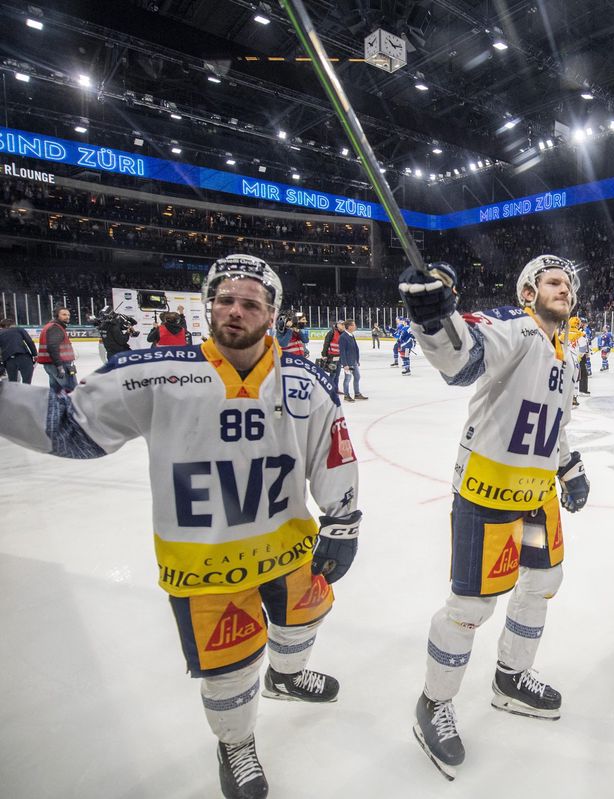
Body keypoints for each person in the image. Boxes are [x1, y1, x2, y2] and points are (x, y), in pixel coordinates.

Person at [0, 254, 362, 799]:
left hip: (290, 548)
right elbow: (71, 425)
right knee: (230, 669)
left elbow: (332, 453)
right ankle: (236, 742)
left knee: (302, 623)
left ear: (273, 314)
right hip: (206, 564)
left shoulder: (304, 381)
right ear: (209, 307)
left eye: (251, 303)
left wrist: (343, 520)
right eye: (225, 300)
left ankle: (286, 677)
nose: (235, 311)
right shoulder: (157, 373)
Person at [398, 255, 590, 781]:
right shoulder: (514, 326)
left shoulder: (564, 350)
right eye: (553, 282)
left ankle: (511, 676)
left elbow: (555, 422)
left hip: (536, 495)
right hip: (489, 489)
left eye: (569, 285)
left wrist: (569, 467)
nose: (565, 290)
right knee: (471, 606)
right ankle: (433, 703)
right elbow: (462, 359)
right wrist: (434, 317)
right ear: (528, 292)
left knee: (542, 582)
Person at [36, 306, 77, 393]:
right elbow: (52, 347)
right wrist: (59, 366)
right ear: (56, 316)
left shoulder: (51, 326)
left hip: (52, 364)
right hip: (59, 364)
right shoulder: (55, 328)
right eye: (64, 314)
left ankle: (56, 402)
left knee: (56, 391)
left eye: (68, 315)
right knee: (71, 390)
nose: (67, 317)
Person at [0, 318, 36, 383]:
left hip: (9, 359)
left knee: (12, 382)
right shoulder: (19, 329)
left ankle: (14, 389)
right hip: (24, 357)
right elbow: (29, 341)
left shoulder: (1, 332)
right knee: (27, 382)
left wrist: (2, 362)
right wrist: (35, 354)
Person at [339, 320, 366, 401]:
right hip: (348, 363)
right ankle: (346, 395)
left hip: (354, 361)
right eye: (354, 325)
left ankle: (357, 394)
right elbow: (342, 352)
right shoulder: (343, 337)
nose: (355, 326)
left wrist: (357, 360)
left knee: (357, 377)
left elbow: (355, 348)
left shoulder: (351, 335)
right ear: (349, 327)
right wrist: (345, 364)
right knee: (347, 379)